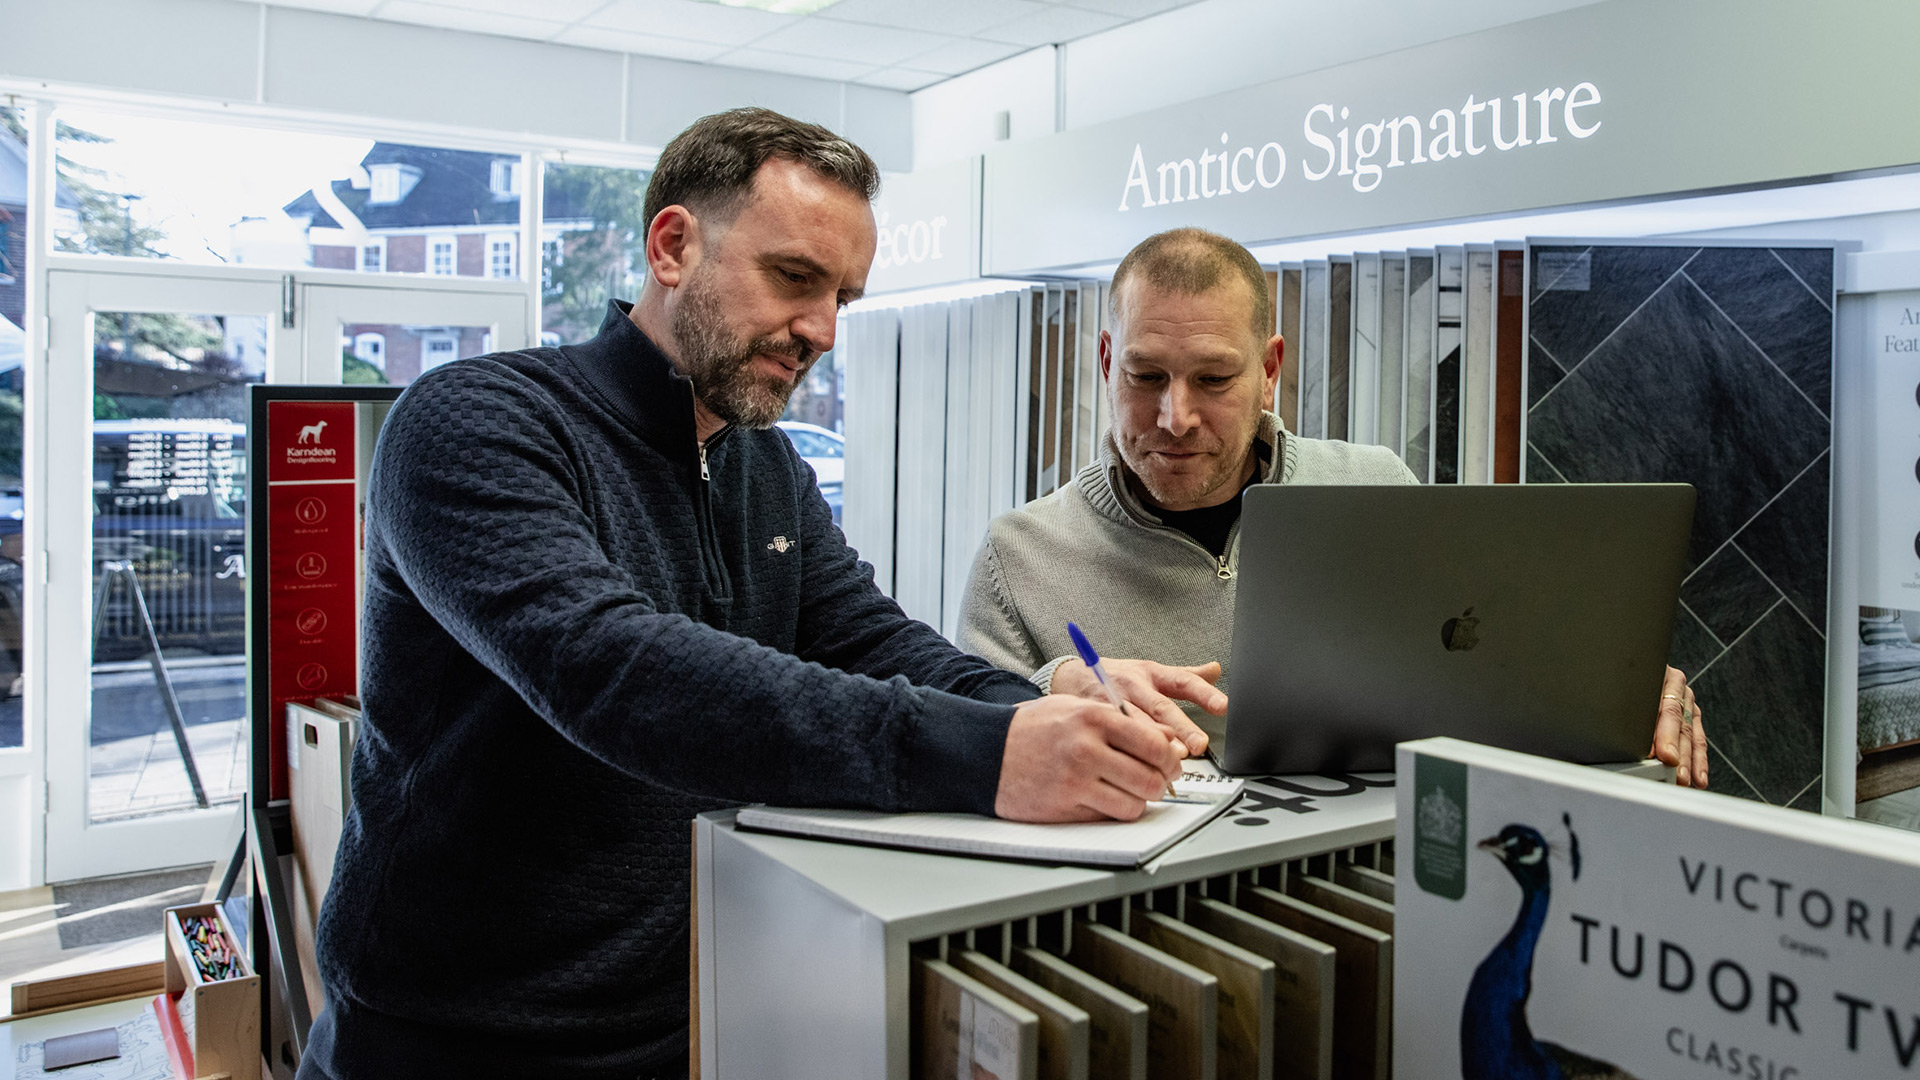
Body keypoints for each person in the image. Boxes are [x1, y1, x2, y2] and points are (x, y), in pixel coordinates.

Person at [299, 109, 1192, 1080]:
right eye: (795, 279)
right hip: (443, 1044)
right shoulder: (476, 423)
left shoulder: (763, 465)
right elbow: (611, 670)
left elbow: (874, 641)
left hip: (690, 1018)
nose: (822, 330)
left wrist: (1047, 709)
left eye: (843, 296)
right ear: (673, 245)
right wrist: (987, 754)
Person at [957, 228, 1709, 789]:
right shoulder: (1020, 557)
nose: (1175, 416)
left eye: (1214, 379)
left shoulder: (1374, 487)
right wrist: (1053, 683)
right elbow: (969, 749)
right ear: (1103, 363)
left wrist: (1614, 684)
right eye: (1145, 375)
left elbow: (1488, 672)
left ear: (1271, 370)